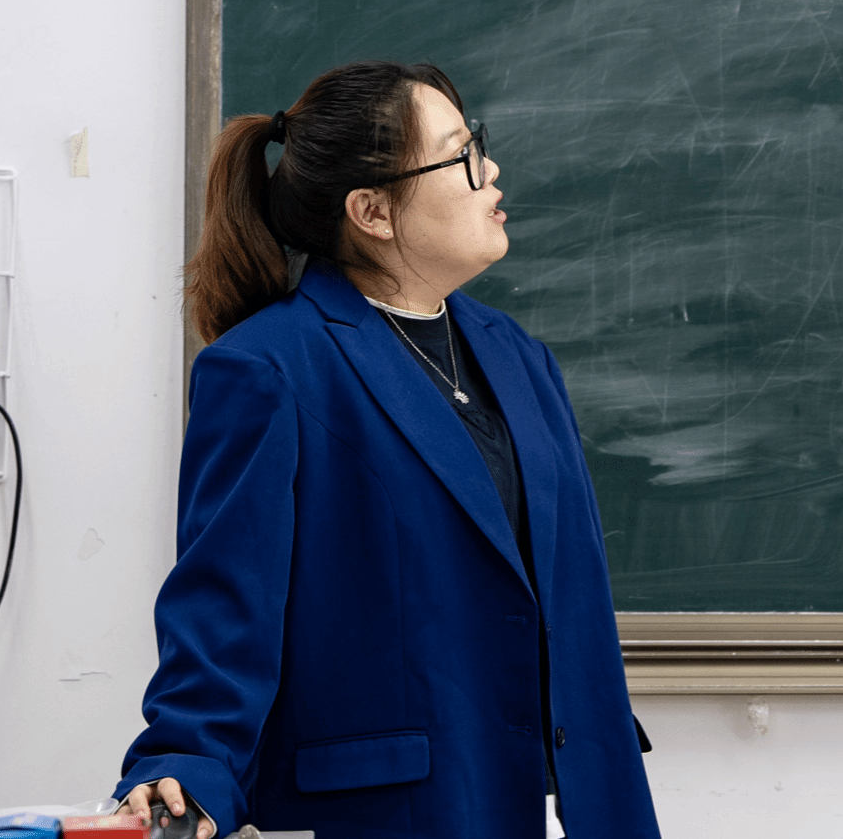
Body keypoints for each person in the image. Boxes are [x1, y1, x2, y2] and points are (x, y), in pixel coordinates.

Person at [112, 60, 660, 839]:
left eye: (477, 144)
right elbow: (224, 607)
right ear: (371, 210)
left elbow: (571, 603)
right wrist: (185, 763)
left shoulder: (519, 357)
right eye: (459, 154)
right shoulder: (268, 369)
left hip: (561, 801)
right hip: (396, 812)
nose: (489, 170)